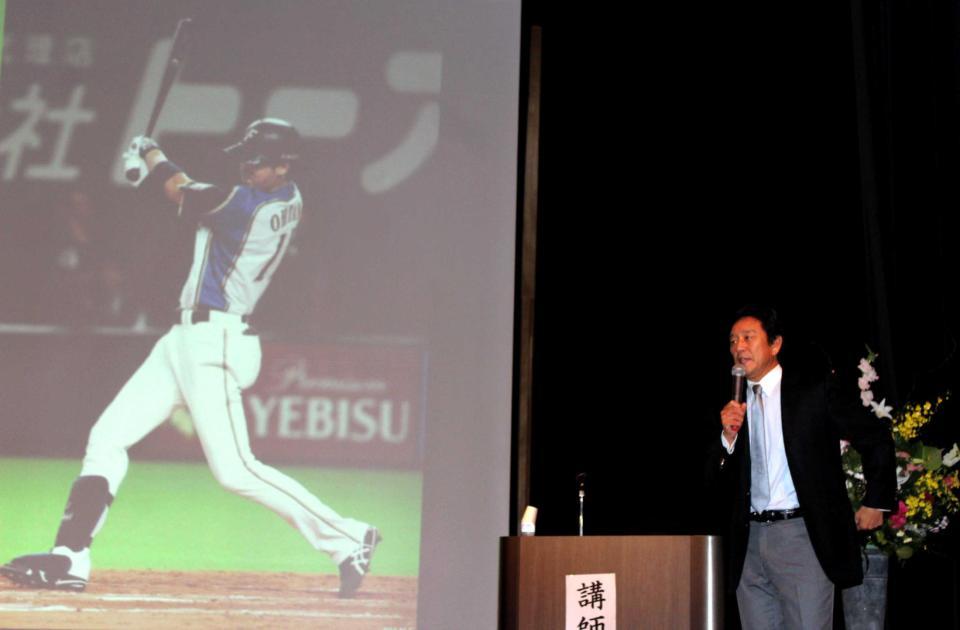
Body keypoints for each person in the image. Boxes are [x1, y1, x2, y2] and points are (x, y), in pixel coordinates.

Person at [0, 118, 380, 598]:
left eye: (259, 163)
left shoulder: (253, 206)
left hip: (216, 340)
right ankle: (69, 557)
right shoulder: (285, 198)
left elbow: (182, 191)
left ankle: (349, 537)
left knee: (236, 470)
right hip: (185, 339)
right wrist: (152, 170)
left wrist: (150, 154)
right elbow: (188, 195)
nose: (248, 168)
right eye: (247, 158)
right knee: (107, 437)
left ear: (284, 166)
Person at [707, 305, 895, 629]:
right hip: (748, 543)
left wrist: (876, 500)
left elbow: (874, 435)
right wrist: (727, 438)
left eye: (748, 337)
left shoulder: (812, 389)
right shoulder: (732, 406)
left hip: (801, 535)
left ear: (775, 344)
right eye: (732, 340)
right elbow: (712, 479)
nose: (738, 347)